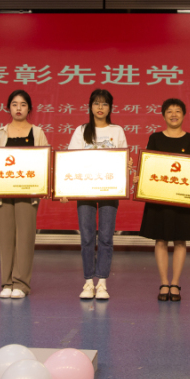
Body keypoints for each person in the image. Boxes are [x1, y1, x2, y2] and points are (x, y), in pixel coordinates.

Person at [65, 89, 129, 300]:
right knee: (86, 236)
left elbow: (123, 159)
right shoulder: (81, 130)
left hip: (110, 189)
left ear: (110, 108)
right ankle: (87, 282)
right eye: (96, 103)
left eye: (104, 104)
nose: (100, 108)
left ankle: (102, 282)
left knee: (106, 236)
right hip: (85, 189)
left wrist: (127, 164)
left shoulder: (117, 131)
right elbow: (70, 160)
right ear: (90, 106)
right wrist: (65, 188)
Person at [139, 99, 190, 302]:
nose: (173, 115)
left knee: (180, 240)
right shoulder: (155, 137)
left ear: (184, 114)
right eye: (169, 111)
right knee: (160, 239)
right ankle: (164, 282)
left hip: (183, 198)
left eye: (177, 111)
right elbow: (148, 164)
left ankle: (175, 282)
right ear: (163, 115)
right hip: (159, 196)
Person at [0, 90, 49, 299]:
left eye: (23, 104)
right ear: (9, 108)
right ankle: (7, 282)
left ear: (29, 108)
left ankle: (21, 284)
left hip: (28, 192)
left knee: (25, 237)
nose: (19, 108)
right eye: (14, 104)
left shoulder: (37, 132)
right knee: (6, 237)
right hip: (3, 192)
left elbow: (45, 162)